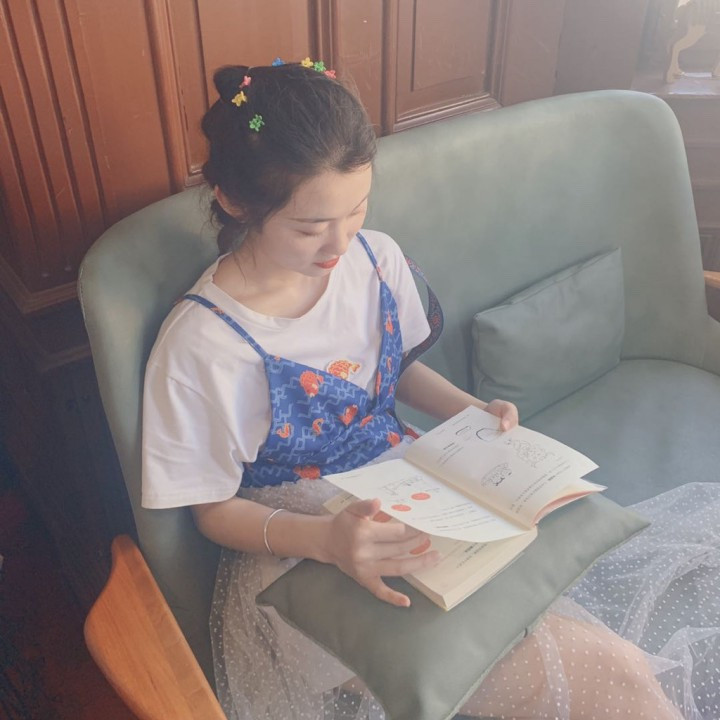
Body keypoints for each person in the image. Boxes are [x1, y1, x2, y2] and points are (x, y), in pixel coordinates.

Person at [141, 60, 711, 719]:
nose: (339, 244)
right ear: (236, 201)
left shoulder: (375, 258)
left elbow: (398, 371)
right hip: (303, 553)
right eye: (309, 227)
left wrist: (474, 413)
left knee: (604, 661)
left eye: (357, 209)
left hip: (413, 489)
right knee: (608, 678)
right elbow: (210, 511)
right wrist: (326, 541)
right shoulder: (203, 346)